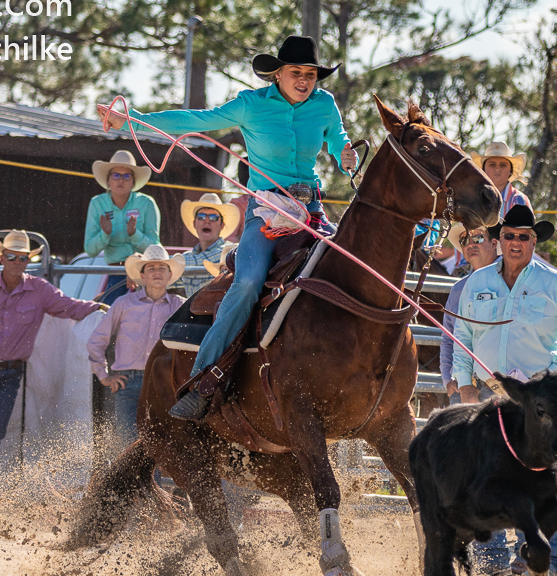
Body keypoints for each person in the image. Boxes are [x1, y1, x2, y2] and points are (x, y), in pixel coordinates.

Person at [98, 35, 357, 420]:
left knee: (349, 274)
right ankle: (205, 377)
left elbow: (338, 141)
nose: (304, 80)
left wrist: (345, 154)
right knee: (249, 281)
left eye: (311, 75)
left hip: (311, 210)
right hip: (265, 211)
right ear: (279, 75)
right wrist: (133, 119)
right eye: (296, 73)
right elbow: (197, 120)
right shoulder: (251, 104)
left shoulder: (324, 104)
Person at [451, 204, 557, 576]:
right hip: (490, 392)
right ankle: (494, 554)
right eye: (509, 236)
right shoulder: (476, 283)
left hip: (538, 399)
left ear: (534, 241)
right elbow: (462, 336)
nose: (515, 243)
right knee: (487, 469)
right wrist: (464, 382)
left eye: (523, 236)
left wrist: (550, 381)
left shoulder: (555, 283)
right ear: (498, 240)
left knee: (551, 467)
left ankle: (551, 555)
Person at [0, 231, 106, 506]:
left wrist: (99, 307)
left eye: (23, 258)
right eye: (12, 257)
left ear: (28, 260)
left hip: (10, 373)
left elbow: (69, 308)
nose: (17, 261)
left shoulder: (39, 290)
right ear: (2, 258)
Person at [87, 245, 186, 458]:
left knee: (155, 444)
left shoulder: (180, 307)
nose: (157, 272)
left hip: (163, 384)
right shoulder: (123, 304)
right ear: (142, 275)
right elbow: (96, 341)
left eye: (162, 268)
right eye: (151, 268)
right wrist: (104, 376)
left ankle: (152, 491)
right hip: (128, 384)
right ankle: (139, 491)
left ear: (170, 275)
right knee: (129, 446)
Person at [84, 150, 160, 304]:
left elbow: (155, 248)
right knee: (111, 314)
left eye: (126, 176)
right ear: (108, 181)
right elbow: (90, 250)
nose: (121, 180)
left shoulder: (146, 203)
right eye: (116, 175)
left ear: (133, 181)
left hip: (144, 271)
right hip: (116, 272)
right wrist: (104, 234)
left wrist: (134, 234)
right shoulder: (97, 203)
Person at [440, 223, 501, 405]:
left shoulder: (512, 281)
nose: (471, 244)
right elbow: (449, 337)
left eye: (478, 238)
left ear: (494, 243)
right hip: (462, 385)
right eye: (465, 240)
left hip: (500, 386)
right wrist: (447, 378)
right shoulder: (459, 289)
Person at [179, 193, 241, 297]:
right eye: (201, 216)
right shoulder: (188, 257)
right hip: (194, 312)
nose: (207, 221)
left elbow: (181, 264)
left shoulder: (228, 251)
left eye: (213, 218)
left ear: (222, 225)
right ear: (194, 223)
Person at [472, 142, 532, 220]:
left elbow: (525, 231)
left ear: (511, 170)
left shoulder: (519, 200)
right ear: (483, 170)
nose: (497, 169)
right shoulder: (473, 199)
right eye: (492, 165)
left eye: (503, 165)